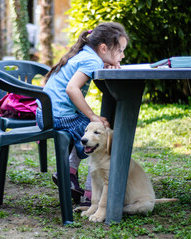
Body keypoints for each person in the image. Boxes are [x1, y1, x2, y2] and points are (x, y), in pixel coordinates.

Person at [36, 22, 129, 206]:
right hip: (58, 116)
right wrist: (93, 115)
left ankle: (70, 173)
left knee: (90, 130)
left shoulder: (87, 54)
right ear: (103, 48)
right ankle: (89, 194)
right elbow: (72, 89)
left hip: (45, 113)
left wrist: (105, 64)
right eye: (120, 51)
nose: (123, 55)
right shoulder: (92, 60)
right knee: (97, 132)